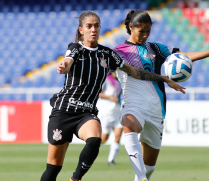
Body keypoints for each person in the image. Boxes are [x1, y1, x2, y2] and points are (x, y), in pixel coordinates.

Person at [40, 10, 186, 181]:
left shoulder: (108, 55)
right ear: (81, 30)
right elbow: (68, 59)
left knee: (95, 140)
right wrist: (64, 65)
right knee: (53, 168)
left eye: (96, 26)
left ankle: (76, 178)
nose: (93, 29)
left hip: (86, 113)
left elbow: (135, 72)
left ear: (100, 28)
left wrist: (163, 78)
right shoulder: (76, 48)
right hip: (63, 111)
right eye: (89, 26)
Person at [113, 9, 209, 181]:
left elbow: (182, 56)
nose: (145, 35)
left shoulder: (155, 48)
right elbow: (133, 72)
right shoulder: (118, 52)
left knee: (149, 168)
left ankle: (141, 176)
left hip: (156, 110)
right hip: (134, 105)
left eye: (148, 31)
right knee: (128, 123)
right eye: (142, 32)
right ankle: (140, 177)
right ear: (131, 27)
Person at [97, 72, 123, 166]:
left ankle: (111, 160)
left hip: (117, 111)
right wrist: (110, 97)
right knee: (104, 139)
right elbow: (98, 93)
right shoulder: (106, 80)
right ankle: (91, 144)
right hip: (106, 112)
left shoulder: (120, 81)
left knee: (118, 136)